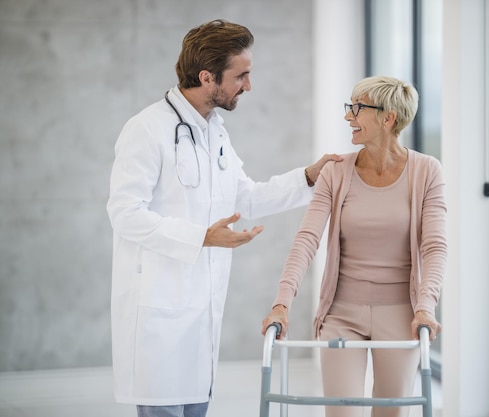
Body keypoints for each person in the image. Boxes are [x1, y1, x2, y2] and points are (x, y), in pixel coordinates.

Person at [107, 19, 342, 417]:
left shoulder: (214, 131)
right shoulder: (147, 129)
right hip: (159, 309)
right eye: (241, 75)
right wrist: (201, 237)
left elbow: (244, 197)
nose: (248, 85)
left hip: (202, 309)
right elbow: (125, 213)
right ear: (206, 76)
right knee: (162, 407)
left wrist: (307, 177)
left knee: (196, 406)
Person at [261, 75, 447, 417]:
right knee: (341, 412)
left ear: (387, 117)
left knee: (391, 412)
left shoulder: (426, 171)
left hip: (401, 314)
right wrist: (281, 303)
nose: (348, 116)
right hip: (341, 313)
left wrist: (426, 306)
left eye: (357, 108)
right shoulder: (336, 171)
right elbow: (307, 239)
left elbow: (434, 246)